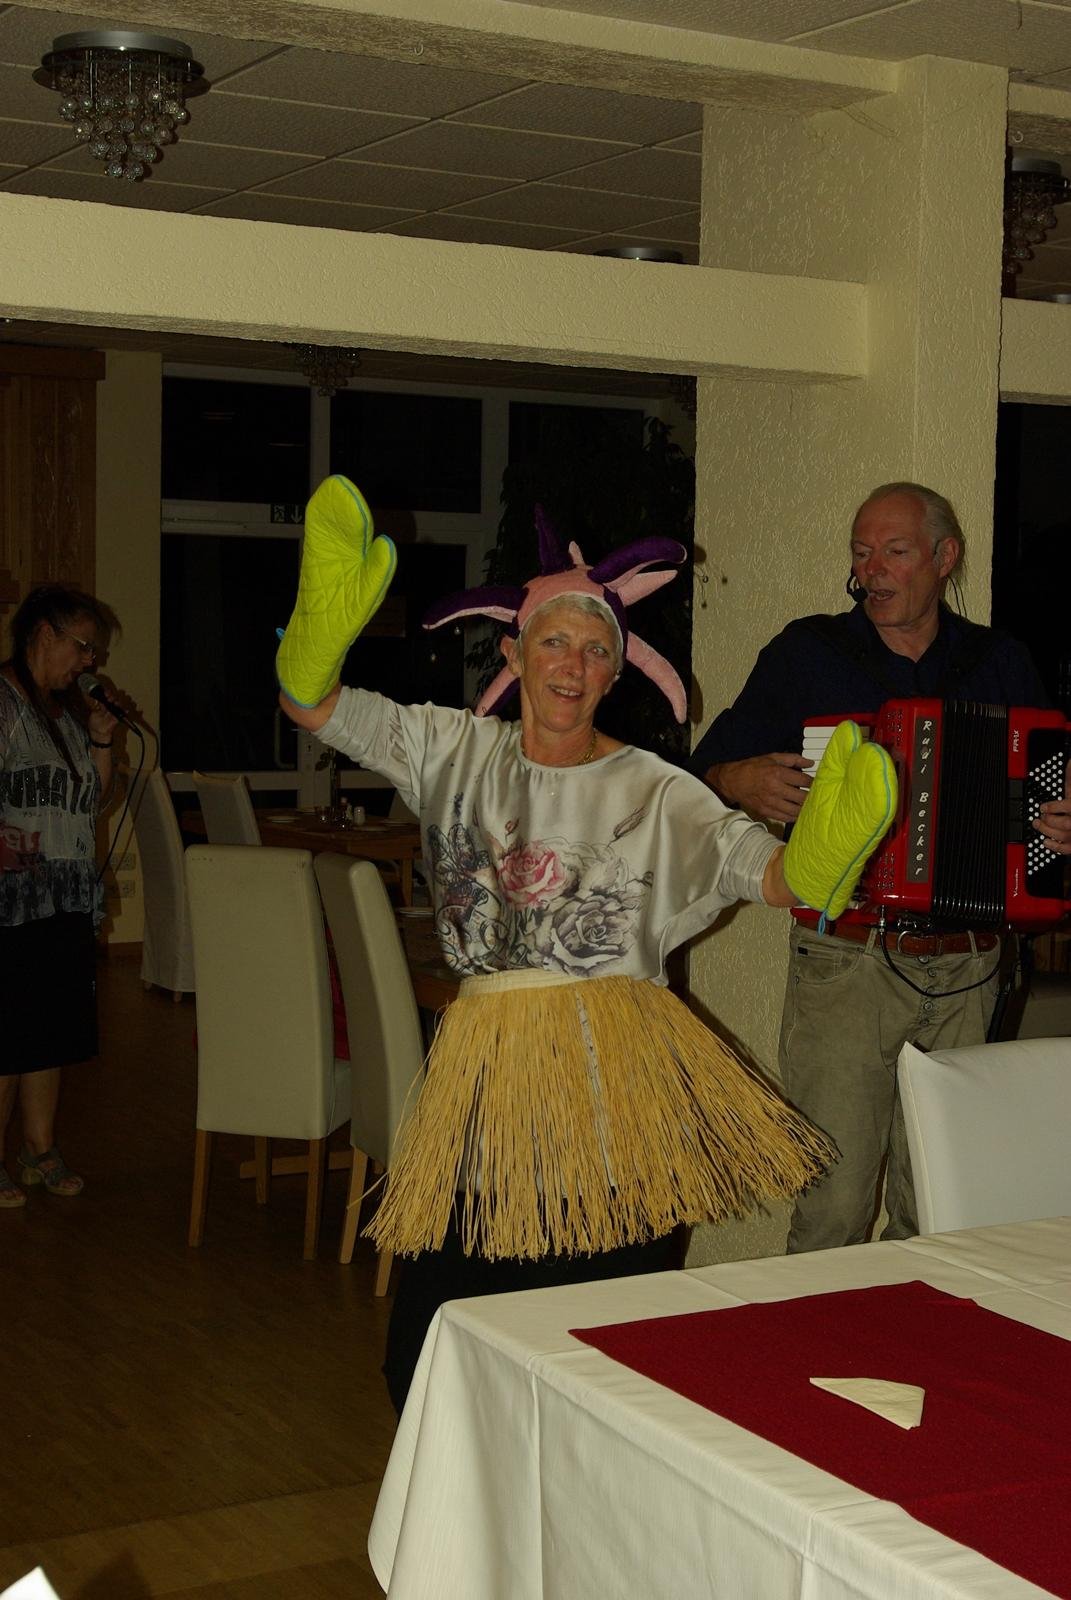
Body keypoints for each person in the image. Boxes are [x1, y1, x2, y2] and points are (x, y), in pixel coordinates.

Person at [277, 475, 898, 1410]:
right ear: (514, 651)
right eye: (554, 641)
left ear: (617, 673)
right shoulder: (450, 749)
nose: (572, 665)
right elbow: (320, 710)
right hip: (482, 1090)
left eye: (595, 650)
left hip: (618, 1096)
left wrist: (816, 857)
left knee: (602, 1351)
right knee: (432, 1350)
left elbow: (761, 873)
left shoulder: (658, 789)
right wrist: (313, 650)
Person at [689, 481, 1071, 1254]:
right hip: (846, 960)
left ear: (943, 557)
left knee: (937, 1207)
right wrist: (735, 779)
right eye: (861, 553)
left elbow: (1046, 783)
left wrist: (1059, 829)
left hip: (969, 964)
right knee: (832, 1208)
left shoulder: (998, 661)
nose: (872, 570)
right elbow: (696, 778)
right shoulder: (808, 654)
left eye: (893, 551)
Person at [1, 584, 122, 1205]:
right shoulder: (3, 703)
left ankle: (37, 1149)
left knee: (47, 1028)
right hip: (11, 898)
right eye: (83, 646)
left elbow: (93, 801)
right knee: (6, 1032)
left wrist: (100, 739)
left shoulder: (66, 711)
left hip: (66, 894)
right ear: (43, 633)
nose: (89, 662)